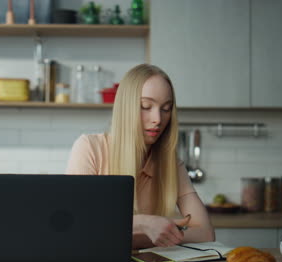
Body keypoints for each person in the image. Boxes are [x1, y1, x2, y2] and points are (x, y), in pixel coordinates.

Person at [65, 64, 215, 249]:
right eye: (145, 106)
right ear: (125, 107)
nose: (158, 119)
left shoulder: (171, 163)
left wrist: (131, 235)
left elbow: (205, 232)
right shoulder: (90, 148)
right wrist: (143, 224)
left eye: (166, 109)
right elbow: (77, 225)